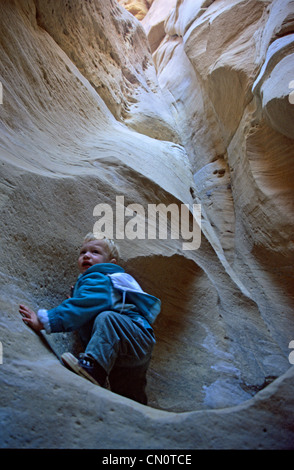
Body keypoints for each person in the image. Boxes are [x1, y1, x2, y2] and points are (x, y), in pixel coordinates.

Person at [19, 233, 160, 404]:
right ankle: (135, 412)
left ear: (110, 263)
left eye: (95, 252)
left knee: (108, 319)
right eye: (83, 252)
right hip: (132, 348)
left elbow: (82, 306)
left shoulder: (101, 278)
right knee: (127, 391)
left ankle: (93, 370)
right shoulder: (95, 283)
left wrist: (44, 321)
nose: (86, 255)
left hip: (134, 335)